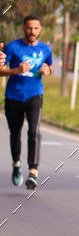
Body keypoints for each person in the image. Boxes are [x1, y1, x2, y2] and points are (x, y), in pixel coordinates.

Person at [1, 15, 53, 189]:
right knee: (15, 133)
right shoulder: (12, 47)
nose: (32, 31)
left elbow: (50, 66)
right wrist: (16, 70)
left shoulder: (46, 49)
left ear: (40, 29)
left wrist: (47, 70)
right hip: (13, 96)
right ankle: (16, 164)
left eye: (36, 28)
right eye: (29, 28)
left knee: (34, 131)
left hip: (35, 95)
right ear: (24, 28)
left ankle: (33, 172)